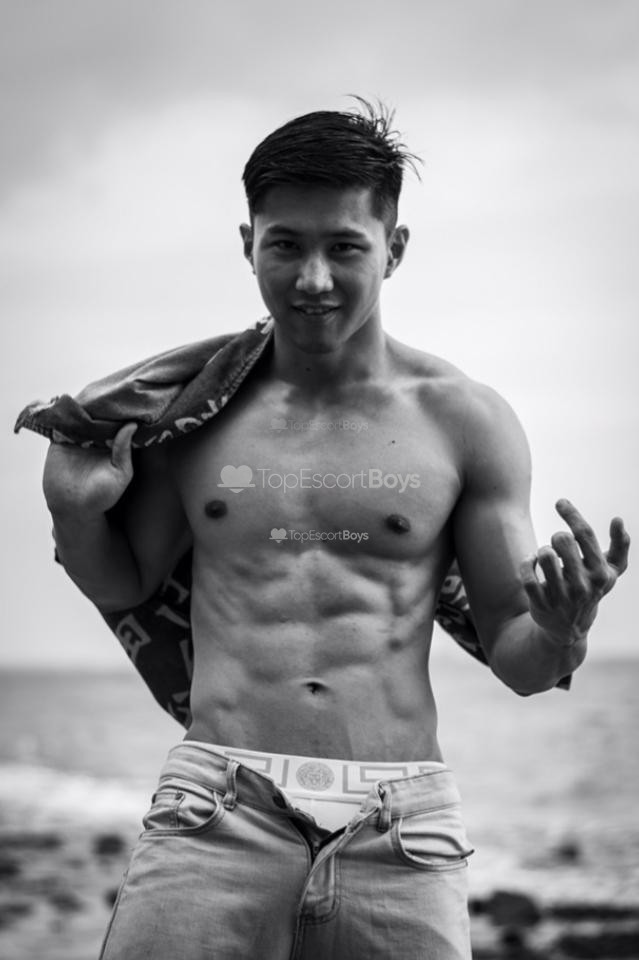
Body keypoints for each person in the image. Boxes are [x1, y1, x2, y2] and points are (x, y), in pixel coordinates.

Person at [36, 101, 629, 960]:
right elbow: (124, 582)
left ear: (394, 248)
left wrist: (563, 628)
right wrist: (74, 511)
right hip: (215, 806)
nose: (312, 278)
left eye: (345, 247)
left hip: (401, 828)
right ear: (248, 244)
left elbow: (521, 659)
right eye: (285, 245)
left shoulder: (464, 421)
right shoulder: (194, 416)